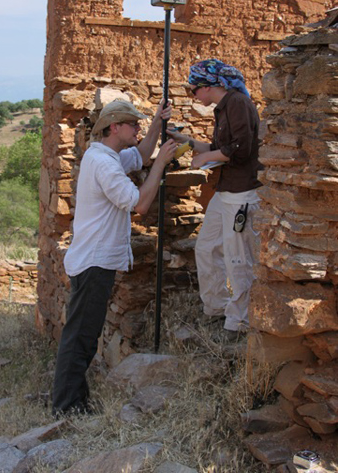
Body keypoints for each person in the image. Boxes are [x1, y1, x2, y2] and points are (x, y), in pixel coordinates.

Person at [52, 98, 176, 416]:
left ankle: (71, 400)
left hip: (93, 260)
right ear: (115, 127)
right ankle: (67, 406)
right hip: (94, 262)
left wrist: (157, 126)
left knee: (81, 333)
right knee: (81, 336)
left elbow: (142, 154)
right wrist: (161, 164)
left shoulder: (106, 156)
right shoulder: (105, 164)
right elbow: (139, 204)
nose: (138, 129)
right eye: (133, 124)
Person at [167, 59, 262, 340]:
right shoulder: (224, 108)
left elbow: (240, 150)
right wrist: (187, 141)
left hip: (241, 193)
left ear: (209, 86)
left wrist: (206, 158)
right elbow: (222, 147)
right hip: (227, 191)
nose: (193, 95)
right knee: (207, 248)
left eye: (193, 88)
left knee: (238, 258)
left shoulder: (236, 103)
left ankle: (238, 322)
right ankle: (217, 308)